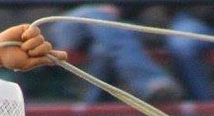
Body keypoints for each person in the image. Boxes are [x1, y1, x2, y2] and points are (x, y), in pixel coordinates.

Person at [48, 4, 182, 103]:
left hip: (115, 27)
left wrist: (120, 8)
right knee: (96, 15)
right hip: (64, 22)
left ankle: (91, 106)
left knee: (102, 50)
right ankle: (152, 82)